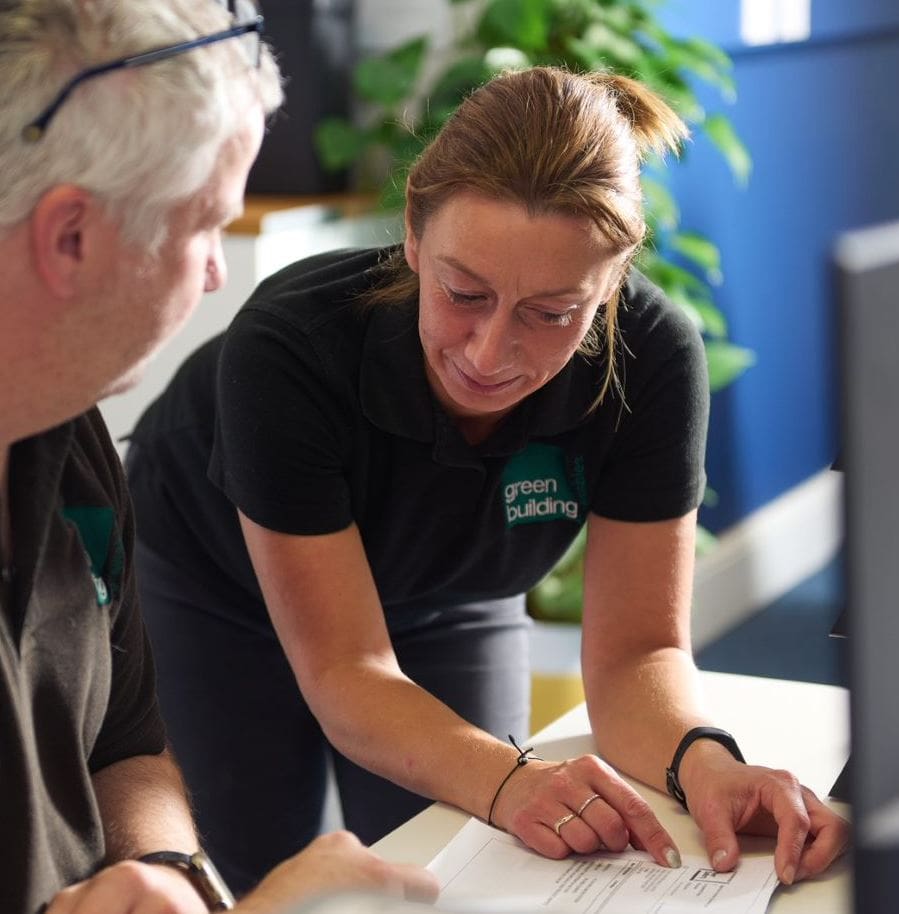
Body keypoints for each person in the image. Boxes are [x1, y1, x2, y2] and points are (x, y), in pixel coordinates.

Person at [126, 65, 850, 896]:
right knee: (268, 871)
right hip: (218, 587)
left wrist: (706, 762)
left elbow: (637, 654)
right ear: (411, 234)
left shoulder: (651, 359)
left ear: (611, 284)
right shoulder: (290, 345)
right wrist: (511, 780)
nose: (489, 352)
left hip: (451, 593)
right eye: (463, 292)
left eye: (552, 314)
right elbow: (347, 672)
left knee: (450, 864)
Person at [0, 1, 437, 912]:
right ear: (70, 237)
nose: (211, 275)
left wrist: (171, 874)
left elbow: (123, 741)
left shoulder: (67, 434)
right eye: (204, 227)